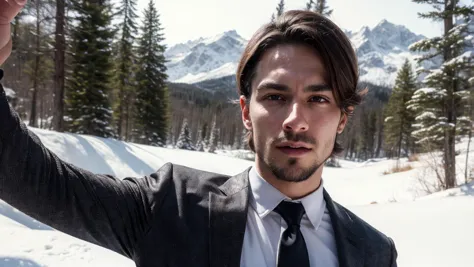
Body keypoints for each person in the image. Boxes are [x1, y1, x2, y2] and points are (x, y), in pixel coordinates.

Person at [0, 1, 397, 266]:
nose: (296, 120)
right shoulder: (172, 208)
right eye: (275, 96)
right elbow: (38, 182)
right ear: (245, 111)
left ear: (343, 118)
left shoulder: (375, 252)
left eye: (318, 99)